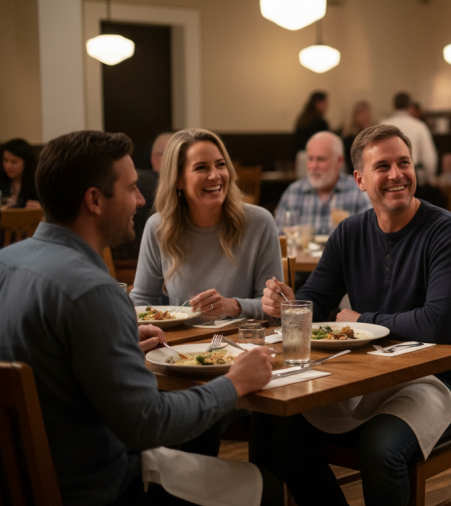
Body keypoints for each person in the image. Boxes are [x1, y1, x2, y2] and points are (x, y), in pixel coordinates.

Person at [0, 130, 281, 506]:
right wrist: (234, 383)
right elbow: (150, 423)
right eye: (131, 188)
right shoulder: (94, 291)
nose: (141, 199)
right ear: (95, 200)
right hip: (103, 486)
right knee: (266, 485)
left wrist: (117, 338)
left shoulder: (6, 263)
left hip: (24, 479)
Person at [251, 124, 451, 506]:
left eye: (404, 163)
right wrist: (287, 305)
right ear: (359, 179)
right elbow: (316, 300)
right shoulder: (349, 233)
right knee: (273, 425)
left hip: (441, 383)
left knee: (380, 449)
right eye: (383, 166)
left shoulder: (448, 232)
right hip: (368, 378)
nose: (397, 175)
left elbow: (437, 325)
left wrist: (357, 320)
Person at [130, 128, 283, 320]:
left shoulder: (259, 222)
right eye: (201, 167)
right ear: (178, 180)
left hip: (244, 343)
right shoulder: (159, 227)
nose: (215, 175)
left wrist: (234, 306)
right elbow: (143, 299)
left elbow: (275, 307)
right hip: (180, 345)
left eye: (221, 165)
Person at [274, 130, 372, 236]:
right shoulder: (293, 193)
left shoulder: (358, 191)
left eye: (321, 159)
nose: (314, 166)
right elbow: (279, 238)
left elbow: (370, 235)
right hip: (301, 253)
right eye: (310, 159)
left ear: (339, 161)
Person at [112, 132, 172, 261]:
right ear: (154, 159)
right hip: (143, 262)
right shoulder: (150, 182)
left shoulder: (134, 180)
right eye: (175, 155)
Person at [380, 91, 438, 185]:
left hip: (388, 177)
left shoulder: (382, 125)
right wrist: (429, 178)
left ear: (393, 106)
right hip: (413, 177)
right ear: (410, 106)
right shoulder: (419, 126)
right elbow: (429, 158)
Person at [0, 138, 40, 209]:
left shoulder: (37, 183)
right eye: (5, 160)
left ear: (26, 162)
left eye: (14, 162)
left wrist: (40, 208)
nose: (8, 166)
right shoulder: (1, 180)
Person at [292, 90, 330, 155]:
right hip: (316, 155)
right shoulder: (319, 122)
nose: (327, 107)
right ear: (318, 103)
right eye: (325, 104)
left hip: (301, 155)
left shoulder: (303, 119)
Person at [341, 100, 373, 173]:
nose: (366, 116)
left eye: (367, 112)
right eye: (362, 113)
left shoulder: (373, 134)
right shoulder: (349, 138)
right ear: (355, 116)